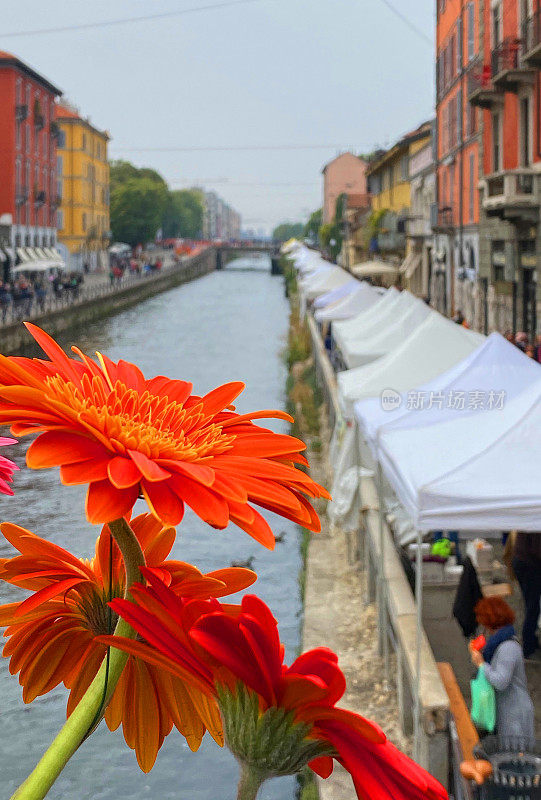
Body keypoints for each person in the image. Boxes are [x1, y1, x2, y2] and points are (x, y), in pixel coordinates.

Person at [470, 597, 535, 739]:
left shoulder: (508, 648)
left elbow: (500, 681)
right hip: (506, 712)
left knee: (514, 758)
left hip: (514, 715)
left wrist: (481, 664)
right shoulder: (498, 644)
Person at [512, 532, 541, 658]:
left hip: (523, 561)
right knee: (532, 606)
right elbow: (537, 549)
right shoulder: (536, 522)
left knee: (531, 604)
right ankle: (528, 645)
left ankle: (531, 640)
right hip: (529, 565)